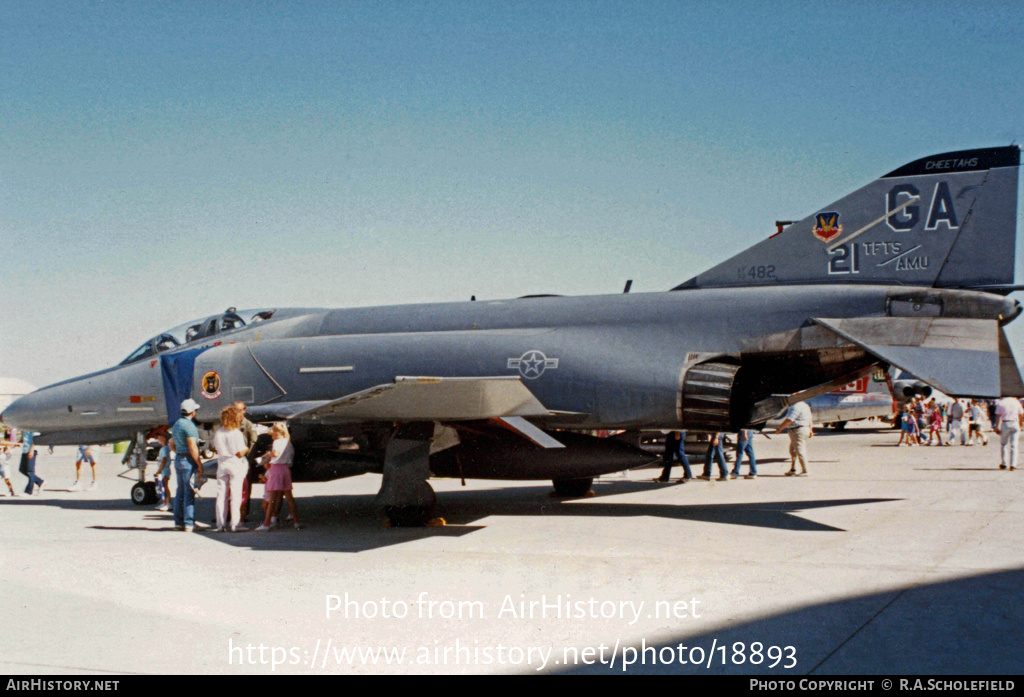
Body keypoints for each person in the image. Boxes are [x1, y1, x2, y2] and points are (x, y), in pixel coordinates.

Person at [257, 423, 303, 531]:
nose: (271, 435)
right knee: (289, 498)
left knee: (272, 499)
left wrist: (268, 454)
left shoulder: (277, 442)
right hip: (285, 470)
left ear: (278, 433)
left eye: (272, 433)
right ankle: (296, 522)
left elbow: (276, 454)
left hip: (276, 469)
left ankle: (266, 524)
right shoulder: (288, 443)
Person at [212, 405, 250, 532]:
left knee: (221, 494)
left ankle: (220, 524)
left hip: (222, 463)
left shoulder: (219, 432)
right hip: (235, 463)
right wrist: (247, 449)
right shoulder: (236, 433)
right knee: (236, 494)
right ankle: (235, 524)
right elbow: (240, 453)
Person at [172, 399, 205, 532]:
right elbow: (192, 446)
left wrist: (179, 452)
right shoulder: (189, 426)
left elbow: (171, 444)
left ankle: (178, 522)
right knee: (189, 492)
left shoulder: (177, 424)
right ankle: (189, 523)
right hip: (188, 460)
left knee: (180, 491)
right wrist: (199, 464)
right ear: (192, 411)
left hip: (179, 458)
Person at [777, 400, 813, 475]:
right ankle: (793, 469)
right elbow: (810, 418)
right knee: (793, 450)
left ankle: (805, 471)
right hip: (802, 429)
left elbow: (790, 419)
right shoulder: (804, 405)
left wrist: (780, 428)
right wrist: (810, 429)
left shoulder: (795, 406)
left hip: (797, 430)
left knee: (800, 450)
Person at [994, 396, 1024, 471]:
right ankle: (1013, 464)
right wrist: (1020, 423)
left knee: (1004, 444)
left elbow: (998, 416)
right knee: (1014, 445)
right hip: (1014, 422)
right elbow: (1021, 414)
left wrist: (996, 426)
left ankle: (1004, 463)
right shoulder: (1016, 402)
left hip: (1005, 423)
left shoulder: (1001, 403)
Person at [152, 433, 173, 510]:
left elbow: (164, 460)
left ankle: (168, 503)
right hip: (163, 471)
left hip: (164, 471)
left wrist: (159, 471)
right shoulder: (164, 448)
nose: (158, 439)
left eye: (158, 438)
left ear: (163, 438)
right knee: (163, 487)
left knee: (165, 487)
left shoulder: (165, 449)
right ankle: (164, 502)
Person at [20, 430, 43, 495]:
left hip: (31, 450)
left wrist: (31, 450)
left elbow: (36, 439)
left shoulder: (32, 426)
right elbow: (23, 437)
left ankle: (28, 491)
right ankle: (40, 482)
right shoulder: (25, 426)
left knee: (30, 471)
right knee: (22, 469)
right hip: (25, 449)